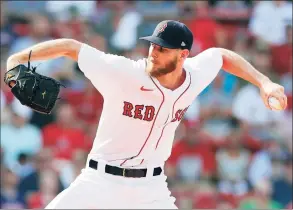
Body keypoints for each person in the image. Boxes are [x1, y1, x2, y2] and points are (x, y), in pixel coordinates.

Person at [6, 20, 287, 209]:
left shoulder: (194, 76)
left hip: (150, 187)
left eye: (162, 48)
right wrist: (18, 59)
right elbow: (70, 46)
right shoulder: (123, 72)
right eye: (153, 44)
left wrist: (264, 82)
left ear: (183, 55)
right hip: (99, 181)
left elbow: (222, 55)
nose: (154, 51)